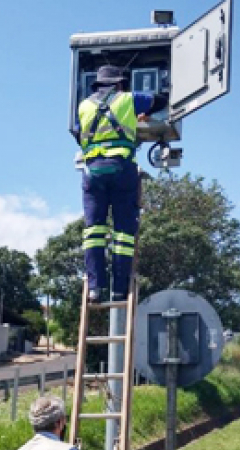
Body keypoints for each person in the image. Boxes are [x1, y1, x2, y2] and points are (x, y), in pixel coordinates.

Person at [75, 64, 168, 302]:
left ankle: (95, 288)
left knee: (94, 230)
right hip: (121, 169)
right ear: (118, 84)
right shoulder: (128, 99)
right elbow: (158, 101)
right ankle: (119, 288)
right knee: (123, 232)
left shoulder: (83, 106)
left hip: (93, 172)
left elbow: (80, 134)